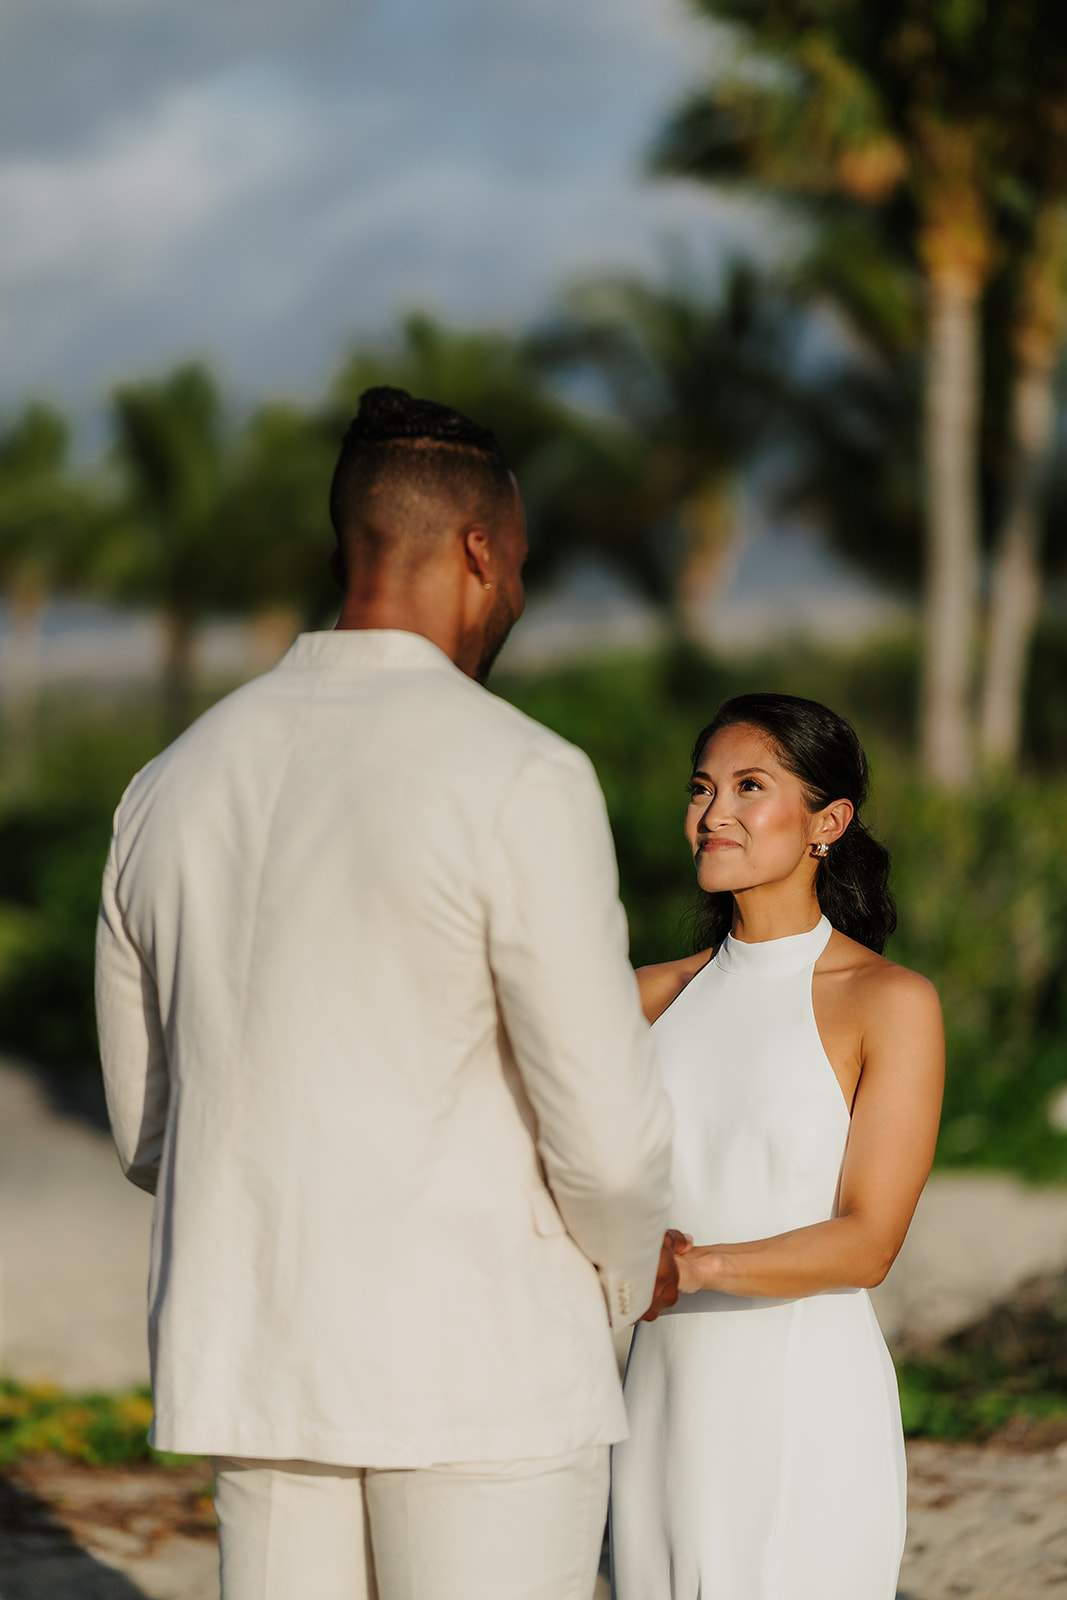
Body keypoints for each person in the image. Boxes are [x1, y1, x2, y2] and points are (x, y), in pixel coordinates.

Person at [95, 386, 677, 1600]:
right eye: (516, 563)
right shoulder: (520, 772)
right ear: (479, 549)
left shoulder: (168, 782)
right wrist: (614, 1296)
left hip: (260, 1368)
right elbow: (608, 1145)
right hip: (485, 1370)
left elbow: (149, 1127)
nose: (514, 592)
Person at [611, 693, 944, 1600]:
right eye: (700, 787)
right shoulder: (639, 998)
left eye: (748, 786)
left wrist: (691, 1267)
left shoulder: (888, 1002)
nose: (712, 813)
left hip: (805, 1400)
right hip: (658, 1403)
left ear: (825, 822)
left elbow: (868, 1240)